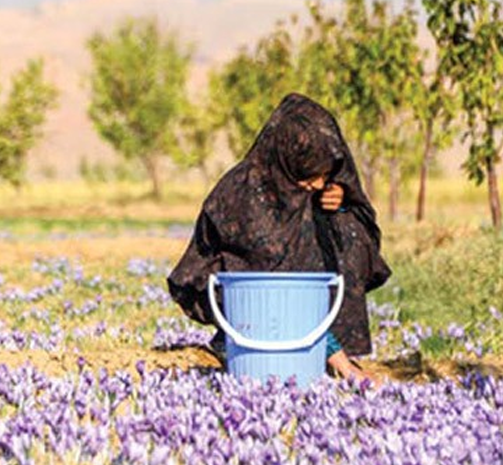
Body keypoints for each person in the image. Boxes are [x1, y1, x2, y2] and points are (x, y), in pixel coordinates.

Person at [167, 93, 391, 384]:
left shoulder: (316, 189)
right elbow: (279, 288)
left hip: (299, 306)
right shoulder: (242, 197)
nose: (320, 184)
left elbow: (352, 224)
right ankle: (241, 342)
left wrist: (342, 200)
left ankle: (322, 348)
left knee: (347, 230)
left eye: (326, 174)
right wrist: (343, 367)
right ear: (286, 161)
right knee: (271, 271)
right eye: (310, 175)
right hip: (247, 303)